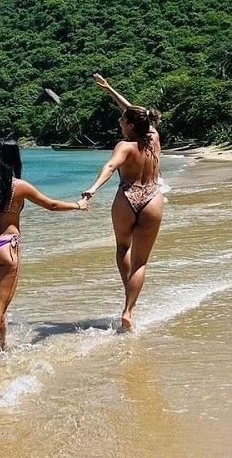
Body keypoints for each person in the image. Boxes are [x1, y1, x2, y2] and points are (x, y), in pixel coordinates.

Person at [0, 138, 90, 374]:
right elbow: (51, 205)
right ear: (14, 158)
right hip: (6, 248)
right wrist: (78, 205)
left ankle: (2, 348)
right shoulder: (19, 186)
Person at [82, 74, 163, 332]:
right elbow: (137, 113)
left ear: (129, 126)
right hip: (152, 198)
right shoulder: (153, 137)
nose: (119, 122)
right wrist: (110, 90)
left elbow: (110, 167)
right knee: (141, 261)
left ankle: (128, 290)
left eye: (122, 120)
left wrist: (93, 189)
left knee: (122, 248)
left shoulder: (125, 146)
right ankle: (129, 310)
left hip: (127, 198)